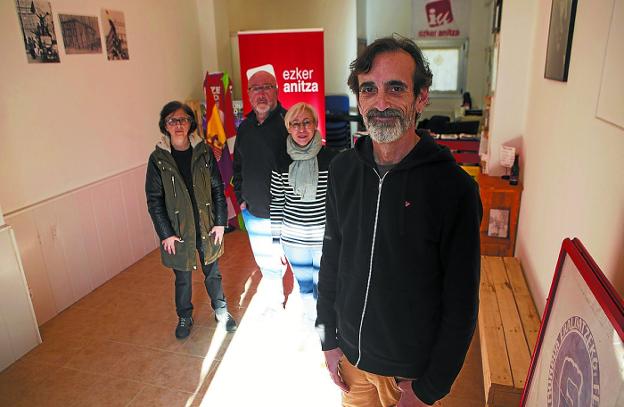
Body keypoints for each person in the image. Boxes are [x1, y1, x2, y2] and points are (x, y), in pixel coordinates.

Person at [316, 37, 483, 406]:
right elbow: (331, 260)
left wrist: (430, 389)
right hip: (352, 364)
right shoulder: (343, 170)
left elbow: (461, 303)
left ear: (421, 96)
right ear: (359, 99)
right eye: (369, 89)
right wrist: (327, 338)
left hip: (409, 376)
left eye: (395, 88)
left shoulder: (453, 188)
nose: (381, 102)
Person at [146, 101, 238, 339]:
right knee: (183, 278)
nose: (178, 125)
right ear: (164, 125)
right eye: (172, 120)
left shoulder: (204, 151)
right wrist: (165, 232)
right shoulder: (158, 159)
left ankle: (221, 310)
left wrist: (220, 221)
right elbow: (154, 200)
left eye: (183, 119)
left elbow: (218, 188)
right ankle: (184, 316)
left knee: (213, 272)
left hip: (207, 225)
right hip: (178, 230)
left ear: (190, 123)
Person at [269, 102, 337, 328]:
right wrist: (277, 242)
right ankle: (314, 324)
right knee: (305, 287)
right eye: (295, 124)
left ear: (316, 125)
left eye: (306, 122)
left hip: (324, 240)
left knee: (325, 286)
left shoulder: (333, 159)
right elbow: (277, 202)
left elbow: (339, 204)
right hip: (293, 241)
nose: (301, 129)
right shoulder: (280, 161)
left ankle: (328, 326)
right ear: (288, 128)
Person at [233, 65, 289, 312]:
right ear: (249, 93)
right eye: (256, 88)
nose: (262, 93)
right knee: (266, 261)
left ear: (277, 90)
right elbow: (238, 165)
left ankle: (308, 306)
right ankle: (276, 299)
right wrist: (240, 198)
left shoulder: (290, 122)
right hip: (253, 210)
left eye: (267, 87)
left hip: (285, 212)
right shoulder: (244, 127)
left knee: (289, 259)